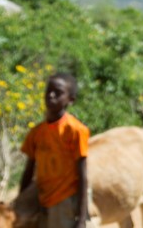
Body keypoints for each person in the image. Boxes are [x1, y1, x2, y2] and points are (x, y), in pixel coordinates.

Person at [19, 72, 92, 228]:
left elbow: (83, 175)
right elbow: (28, 170)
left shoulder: (76, 130)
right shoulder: (37, 133)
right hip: (42, 199)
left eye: (58, 93)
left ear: (70, 100)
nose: (51, 96)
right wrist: (21, 202)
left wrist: (81, 218)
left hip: (66, 201)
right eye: (48, 91)